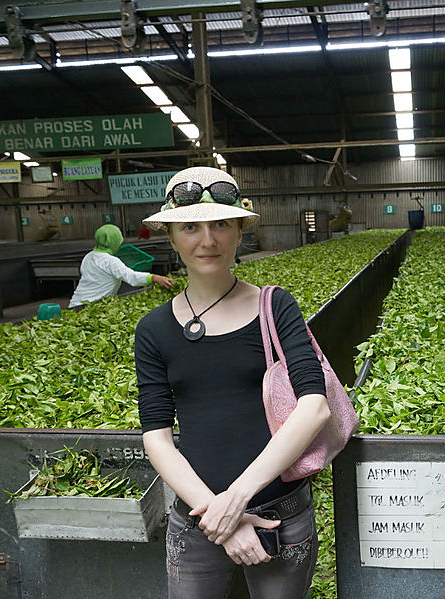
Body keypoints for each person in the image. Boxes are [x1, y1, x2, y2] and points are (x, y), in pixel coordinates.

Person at [134, 167, 331, 599]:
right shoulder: (153, 330)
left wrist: (236, 500)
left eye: (221, 224)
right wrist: (219, 519)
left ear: (239, 231)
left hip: (280, 516)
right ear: (171, 238)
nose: (207, 240)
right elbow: (157, 437)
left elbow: (314, 405)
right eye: (190, 227)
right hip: (196, 519)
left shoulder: (274, 306)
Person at [68, 224, 174, 308]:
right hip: (91, 306)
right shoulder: (111, 261)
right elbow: (131, 277)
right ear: (113, 242)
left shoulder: (89, 256)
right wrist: (155, 278)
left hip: (75, 304)